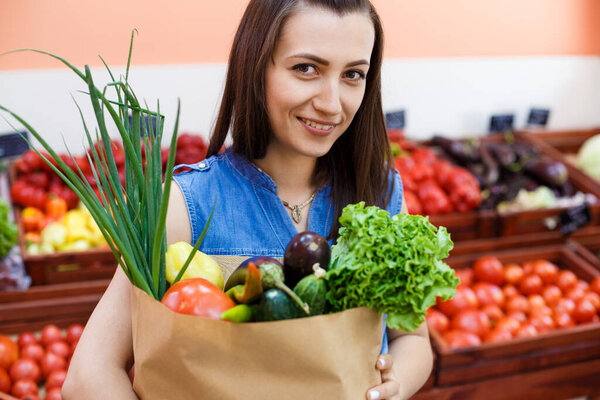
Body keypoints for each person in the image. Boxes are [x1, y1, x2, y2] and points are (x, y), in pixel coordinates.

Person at [62, 1, 433, 399]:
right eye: (306, 68)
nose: (331, 102)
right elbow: (89, 375)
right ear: (255, 68)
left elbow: (412, 337)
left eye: (353, 74)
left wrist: (395, 386)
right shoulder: (183, 206)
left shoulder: (380, 193)